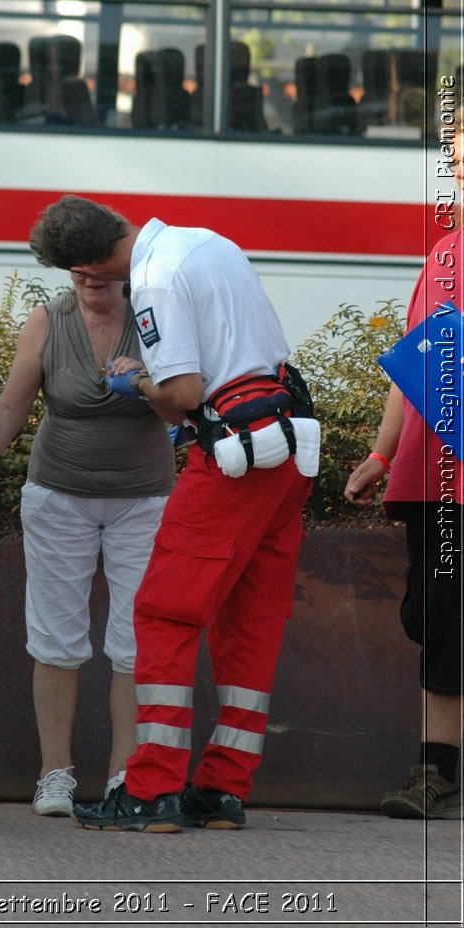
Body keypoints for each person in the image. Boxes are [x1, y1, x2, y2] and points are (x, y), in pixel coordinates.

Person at [27, 196, 317, 832]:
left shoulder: (154, 279)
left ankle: (151, 789)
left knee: (161, 613)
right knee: (251, 619)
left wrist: (135, 380)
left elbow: (185, 392)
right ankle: (221, 790)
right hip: (290, 449)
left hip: (233, 461)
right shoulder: (209, 241)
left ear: (87, 259)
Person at [0, 272, 176, 816]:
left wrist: (147, 382)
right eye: (79, 268)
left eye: (101, 266)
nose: (90, 278)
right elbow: (11, 407)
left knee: (135, 640)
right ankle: (55, 774)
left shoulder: (155, 318)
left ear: (123, 266)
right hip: (58, 494)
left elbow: (182, 409)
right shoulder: (48, 320)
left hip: (144, 498)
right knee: (55, 636)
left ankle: (126, 777)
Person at [344, 113, 463, 820]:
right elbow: (412, 361)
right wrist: (383, 452)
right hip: (431, 474)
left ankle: (435, 769)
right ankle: (438, 769)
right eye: (457, 157)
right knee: (436, 618)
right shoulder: (446, 252)